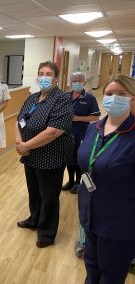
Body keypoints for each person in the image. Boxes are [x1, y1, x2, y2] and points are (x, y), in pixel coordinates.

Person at [77, 75, 135, 283]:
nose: (114, 98)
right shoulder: (94, 128)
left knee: (111, 275)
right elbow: (86, 164)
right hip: (90, 215)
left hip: (119, 224)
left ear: (132, 100)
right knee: (91, 267)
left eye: (121, 94)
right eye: (109, 94)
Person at [15, 61, 74, 248]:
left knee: (48, 195)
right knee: (34, 191)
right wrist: (19, 143)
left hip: (51, 155)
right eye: (41, 73)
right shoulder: (32, 98)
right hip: (30, 154)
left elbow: (53, 131)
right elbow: (19, 120)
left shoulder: (62, 99)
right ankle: (34, 219)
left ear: (57, 78)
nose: (44, 77)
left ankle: (47, 233)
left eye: (49, 74)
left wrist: (26, 145)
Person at [62, 72, 100, 194]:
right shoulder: (65, 96)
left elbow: (95, 117)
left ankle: (79, 183)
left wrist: (77, 118)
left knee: (79, 158)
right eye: (74, 80)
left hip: (81, 133)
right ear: (70, 82)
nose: (77, 83)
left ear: (84, 82)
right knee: (69, 157)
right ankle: (71, 181)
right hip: (66, 132)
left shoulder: (89, 98)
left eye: (80, 80)